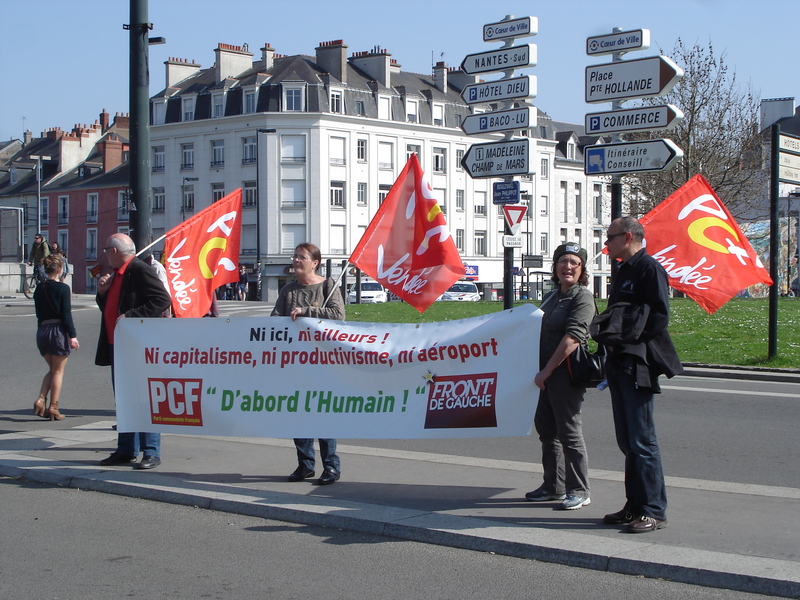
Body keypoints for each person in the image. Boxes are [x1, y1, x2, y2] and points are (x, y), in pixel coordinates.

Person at [599, 217, 683, 533]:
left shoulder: (649, 268)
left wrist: (631, 338)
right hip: (618, 362)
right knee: (628, 441)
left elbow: (659, 315)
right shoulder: (624, 270)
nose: (607, 244)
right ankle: (634, 506)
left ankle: (653, 510)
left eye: (611, 238)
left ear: (629, 236)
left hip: (639, 363)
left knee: (642, 439)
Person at [526, 243, 594, 510]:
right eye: (563, 261)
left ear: (582, 269)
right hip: (542, 377)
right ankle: (553, 486)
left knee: (569, 433)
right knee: (548, 433)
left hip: (564, 374)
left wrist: (548, 370)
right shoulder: (552, 297)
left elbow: (573, 337)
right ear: (555, 267)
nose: (568, 267)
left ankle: (579, 489)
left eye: (575, 263)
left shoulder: (582, 298)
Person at [95, 233, 171, 470]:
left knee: (145, 398)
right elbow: (110, 306)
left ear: (115, 251)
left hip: (138, 346)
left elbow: (162, 299)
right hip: (118, 345)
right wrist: (102, 293)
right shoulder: (117, 274)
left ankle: (151, 451)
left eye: (106, 249)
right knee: (125, 401)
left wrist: (131, 316)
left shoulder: (138, 269)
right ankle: (126, 450)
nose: (105, 253)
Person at [272, 243, 345, 485]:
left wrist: (306, 313)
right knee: (298, 413)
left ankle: (331, 466)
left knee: (323, 413)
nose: (295, 260)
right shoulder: (289, 290)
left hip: (324, 363)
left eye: (301, 257)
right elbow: (275, 320)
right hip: (296, 363)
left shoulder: (327, 286)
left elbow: (338, 315)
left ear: (314, 262)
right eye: (294, 256)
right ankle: (305, 464)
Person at [33, 254, 80, 420]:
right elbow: (66, 314)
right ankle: (53, 406)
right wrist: (72, 336)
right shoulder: (63, 288)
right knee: (58, 371)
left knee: (52, 369)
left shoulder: (39, 288)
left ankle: (41, 398)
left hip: (43, 330)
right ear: (60, 270)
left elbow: (39, 313)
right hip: (58, 330)